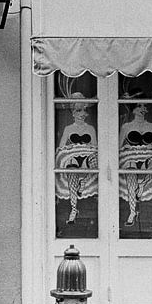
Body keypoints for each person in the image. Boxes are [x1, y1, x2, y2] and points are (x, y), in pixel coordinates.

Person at [54, 93, 98, 225]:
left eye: (84, 110)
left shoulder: (90, 128)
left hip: (87, 159)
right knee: (72, 171)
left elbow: (95, 148)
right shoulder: (68, 129)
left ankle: (83, 182)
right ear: (73, 113)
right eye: (78, 110)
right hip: (73, 159)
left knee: (95, 161)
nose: (82, 113)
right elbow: (61, 148)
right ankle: (74, 209)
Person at [118, 104, 152, 226]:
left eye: (144, 107)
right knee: (131, 179)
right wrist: (126, 146)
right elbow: (118, 146)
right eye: (139, 107)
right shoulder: (126, 126)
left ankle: (142, 184)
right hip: (131, 157)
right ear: (133, 110)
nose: (142, 110)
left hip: (148, 157)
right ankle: (132, 212)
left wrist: (150, 147)